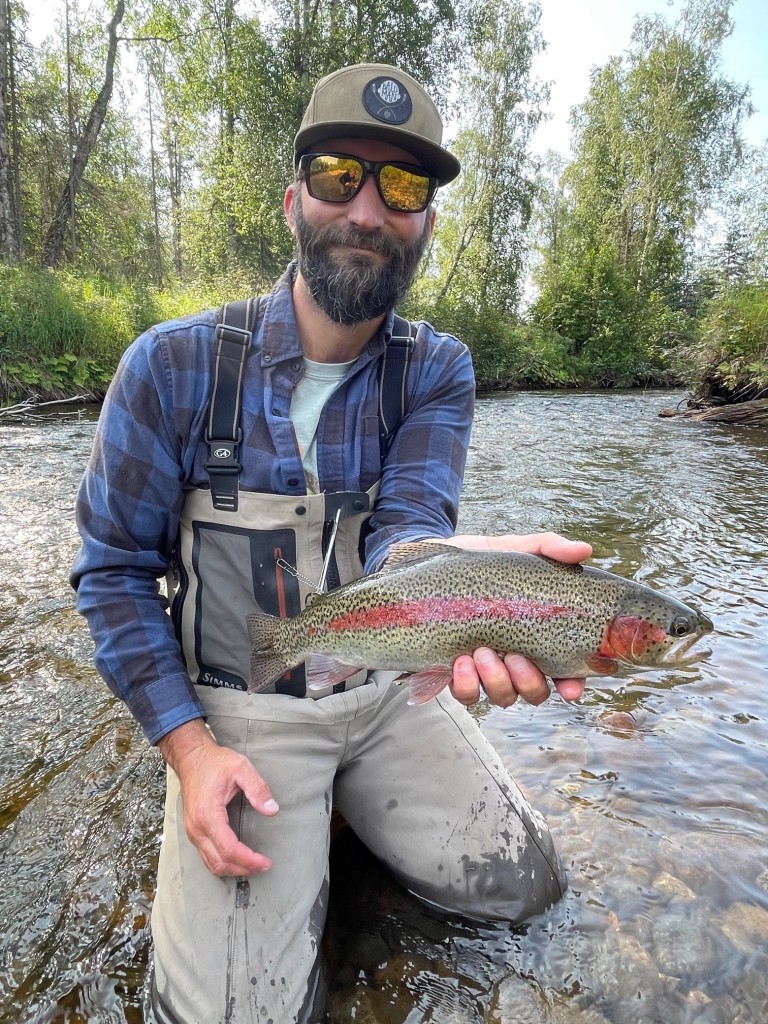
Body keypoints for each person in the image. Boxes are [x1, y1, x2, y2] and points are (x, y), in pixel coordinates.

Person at [71, 62, 590, 1024]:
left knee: (527, 890)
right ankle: (280, 812)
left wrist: (477, 585)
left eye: (401, 188)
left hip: (388, 686)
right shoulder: (171, 368)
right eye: (340, 175)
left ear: (426, 223)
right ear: (294, 201)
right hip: (247, 708)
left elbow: (410, 533)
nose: (366, 210)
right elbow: (109, 576)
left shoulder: (436, 369)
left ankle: (344, 810)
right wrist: (189, 754)